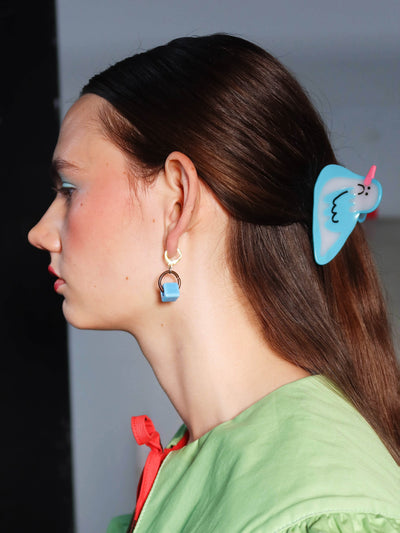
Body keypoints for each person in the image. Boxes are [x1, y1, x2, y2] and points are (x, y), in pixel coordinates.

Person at [28, 34, 400, 532]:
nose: (39, 232)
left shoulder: (323, 505)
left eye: (71, 189)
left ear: (177, 202)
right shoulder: (207, 470)